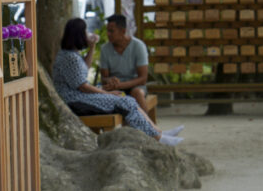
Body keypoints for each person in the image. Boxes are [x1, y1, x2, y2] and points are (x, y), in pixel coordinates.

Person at [52, 17, 184, 146]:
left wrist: (92, 47)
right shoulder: (70, 58)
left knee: (128, 100)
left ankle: (158, 133)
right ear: (79, 35)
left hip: (79, 97)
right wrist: (107, 93)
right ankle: (157, 137)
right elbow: (83, 87)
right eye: (86, 31)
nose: (89, 34)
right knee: (125, 102)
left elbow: (84, 70)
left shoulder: (71, 54)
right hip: (75, 101)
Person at [99, 14, 152, 114]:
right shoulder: (105, 49)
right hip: (114, 87)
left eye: (111, 31)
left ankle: (148, 128)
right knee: (102, 96)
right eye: (107, 31)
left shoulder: (138, 46)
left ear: (123, 31)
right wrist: (110, 80)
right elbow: (104, 78)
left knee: (137, 93)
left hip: (135, 85)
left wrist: (121, 85)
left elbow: (143, 79)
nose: (108, 34)